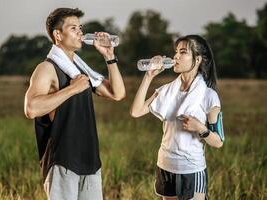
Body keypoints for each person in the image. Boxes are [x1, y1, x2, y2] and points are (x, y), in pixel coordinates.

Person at [24, 8, 126, 200]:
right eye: (73, 28)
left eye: (80, 27)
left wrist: (109, 56)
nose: (80, 32)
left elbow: (117, 94)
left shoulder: (81, 69)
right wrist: (71, 89)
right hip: (63, 161)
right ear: (57, 35)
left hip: (90, 160)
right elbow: (31, 108)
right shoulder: (46, 68)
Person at [130, 35, 224, 200]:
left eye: (183, 52)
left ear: (198, 59)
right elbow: (136, 111)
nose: (176, 57)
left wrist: (201, 128)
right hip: (165, 165)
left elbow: (218, 142)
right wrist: (149, 76)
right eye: (175, 52)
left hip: (191, 169)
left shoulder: (209, 96)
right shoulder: (166, 90)